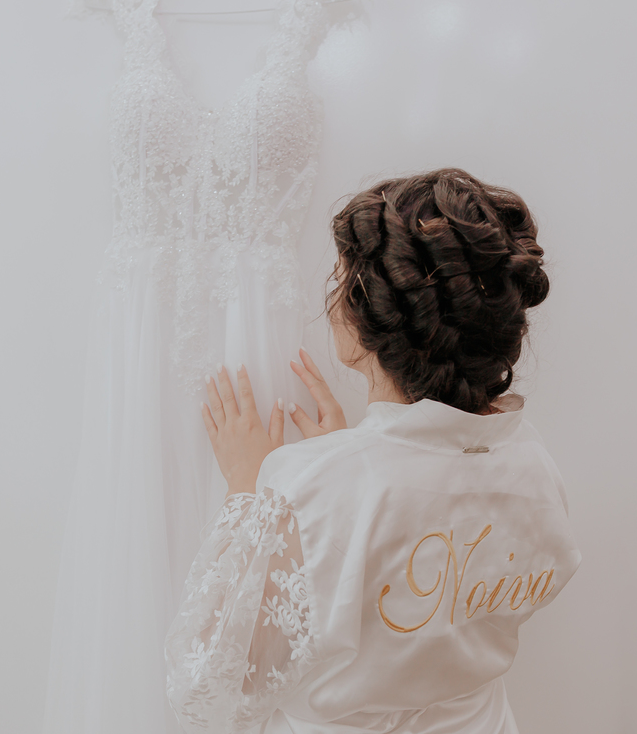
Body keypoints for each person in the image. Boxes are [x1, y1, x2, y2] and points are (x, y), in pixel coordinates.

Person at [163, 167, 582, 733]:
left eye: (338, 278)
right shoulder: (534, 465)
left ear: (364, 314)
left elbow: (209, 687)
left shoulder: (304, 487)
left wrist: (248, 491)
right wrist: (340, 463)